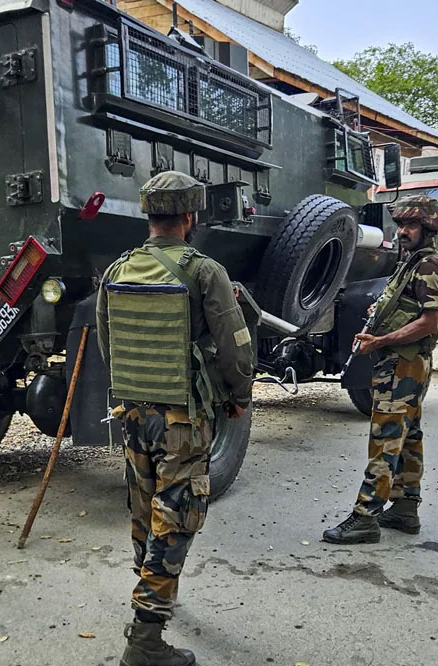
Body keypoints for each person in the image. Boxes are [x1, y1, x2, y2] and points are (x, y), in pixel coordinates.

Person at [96, 171, 254, 666]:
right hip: (183, 418)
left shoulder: (117, 270)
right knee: (176, 519)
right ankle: (145, 641)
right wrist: (238, 394)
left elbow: (108, 343)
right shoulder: (204, 272)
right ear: (190, 216)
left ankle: (153, 591)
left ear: (150, 215)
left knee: (145, 512)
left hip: (134, 411)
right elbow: (234, 346)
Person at [323, 195, 438, 545]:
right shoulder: (411, 264)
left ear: (427, 230)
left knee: (385, 439)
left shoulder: (429, 267)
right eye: (401, 225)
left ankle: (365, 516)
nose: (403, 231)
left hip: (404, 364)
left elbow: (430, 322)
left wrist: (381, 341)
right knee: (408, 436)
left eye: (411, 226)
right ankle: (405, 509)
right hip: (400, 363)